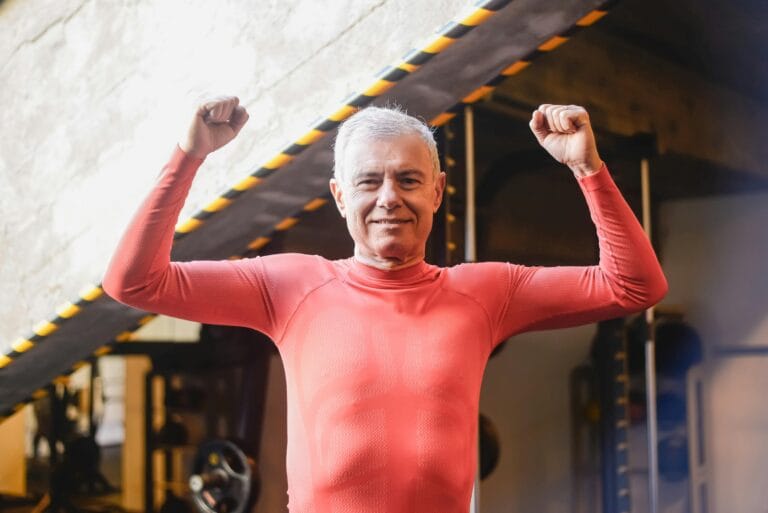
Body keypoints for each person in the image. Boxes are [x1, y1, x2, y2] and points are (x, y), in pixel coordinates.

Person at [103, 96, 667, 513]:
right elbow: (134, 282)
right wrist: (188, 156)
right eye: (369, 182)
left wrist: (586, 169)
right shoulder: (290, 285)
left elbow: (634, 286)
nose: (389, 198)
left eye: (408, 180)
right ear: (340, 196)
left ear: (437, 191)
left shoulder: (485, 292)